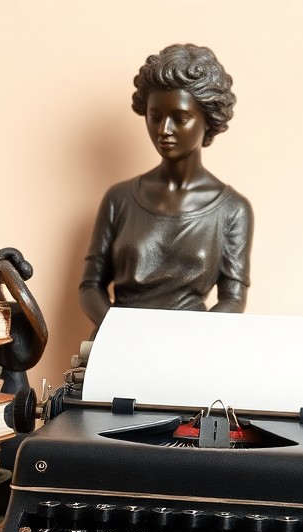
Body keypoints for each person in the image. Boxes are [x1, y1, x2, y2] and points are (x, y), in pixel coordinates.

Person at [79, 43, 253, 327]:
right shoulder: (118, 199)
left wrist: (185, 339)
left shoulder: (233, 209)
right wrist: (120, 329)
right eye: (155, 116)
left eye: (180, 118)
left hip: (189, 351)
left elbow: (233, 298)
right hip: (118, 346)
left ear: (207, 119)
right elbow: (90, 286)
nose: (164, 130)